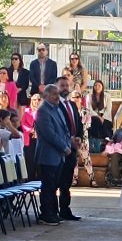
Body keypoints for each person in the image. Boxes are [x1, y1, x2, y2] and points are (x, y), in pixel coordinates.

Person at [33, 84, 71, 225]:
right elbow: (50, 134)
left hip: (58, 155)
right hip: (48, 156)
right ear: (46, 96)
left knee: (53, 186)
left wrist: (68, 144)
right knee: (48, 186)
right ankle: (46, 214)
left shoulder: (56, 109)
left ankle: (53, 212)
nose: (57, 97)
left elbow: (64, 129)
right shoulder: (43, 111)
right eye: (54, 94)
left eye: (58, 94)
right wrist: (64, 147)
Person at [55, 76, 83, 219]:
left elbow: (78, 123)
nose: (65, 88)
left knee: (66, 182)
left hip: (72, 149)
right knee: (56, 181)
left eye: (67, 85)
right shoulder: (55, 105)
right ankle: (53, 211)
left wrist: (79, 137)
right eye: (62, 85)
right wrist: (68, 141)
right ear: (56, 87)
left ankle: (65, 210)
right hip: (59, 149)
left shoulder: (72, 105)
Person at [21, 93, 41, 178]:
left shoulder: (43, 111)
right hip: (29, 138)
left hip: (40, 139)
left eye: (38, 100)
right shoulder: (26, 111)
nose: (36, 101)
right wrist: (31, 130)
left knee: (39, 159)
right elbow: (23, 123)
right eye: (34, 100)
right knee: (29, 159)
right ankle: (30, 178)